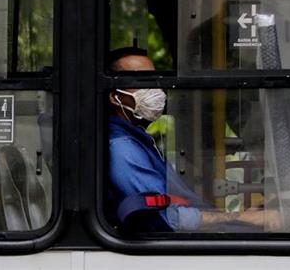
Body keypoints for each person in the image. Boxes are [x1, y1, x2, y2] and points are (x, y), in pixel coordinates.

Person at [106, 47, 281, 232]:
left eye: (153, 80)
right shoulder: (121, 147)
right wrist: (243, 217)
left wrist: (243, 217)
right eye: (141, 81)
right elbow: (166, 219)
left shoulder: (139, 140)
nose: (153, 89)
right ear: (115, 97)